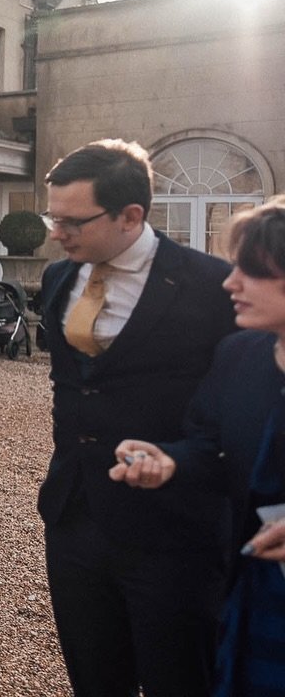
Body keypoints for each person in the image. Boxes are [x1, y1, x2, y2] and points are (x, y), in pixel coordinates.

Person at [36, 138, 237, 697]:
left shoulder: (211, 287)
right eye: (53, 217)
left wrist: (182, 461)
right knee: (96, 680)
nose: (57, 233)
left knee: (180, 681)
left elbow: (239, 410)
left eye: (73, 221)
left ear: (132, 216)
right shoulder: (59, 280)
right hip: (76, 516)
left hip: (173, 530)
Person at [109, 196, 285, 696]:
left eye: (252, 271)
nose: (231, 283)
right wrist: (171, 461)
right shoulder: (240, 354)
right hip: (254, 591)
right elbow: (210, 445)